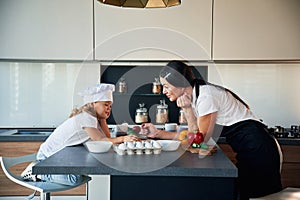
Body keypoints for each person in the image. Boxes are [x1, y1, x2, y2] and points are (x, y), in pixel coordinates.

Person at [141, 60, 282, 199]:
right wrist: (158, 133)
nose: (164, 91)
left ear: (181, 83)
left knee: (258, 196)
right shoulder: (197, 95)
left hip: (259, 148)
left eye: (166, 86)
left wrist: (187, 109)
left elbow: (199, 141)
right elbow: (194, 138)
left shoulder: (206, 96)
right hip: (250, 147)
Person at [21, 83, 139, 186]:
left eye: (110, 106)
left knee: (81, 175)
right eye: (106, 105)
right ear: (93, 104)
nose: (109, 109)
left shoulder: (93, 118)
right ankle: (36, 171)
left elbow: (106, 138)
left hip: (59, 156)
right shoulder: (86, 117)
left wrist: (103, 119)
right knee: (75, 179)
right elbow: (100, 140)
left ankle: (40, 171)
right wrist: (123, 138)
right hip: (48, 158)